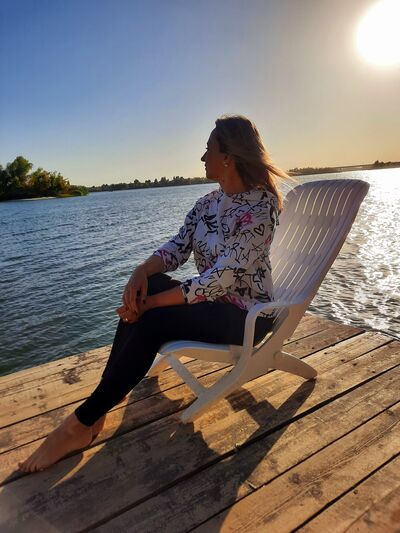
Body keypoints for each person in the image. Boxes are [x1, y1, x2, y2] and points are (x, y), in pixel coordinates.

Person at [18, 114, 297, 473]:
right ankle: (97, 410)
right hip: (209, 304)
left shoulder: (261, 206)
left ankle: (78, 424)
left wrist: (151, 303)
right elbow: (176, 248)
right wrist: (140, 273)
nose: (202, 157)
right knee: (144, 294)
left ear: (228, 157)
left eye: (208, 150)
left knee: (152, 318)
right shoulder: (207, 204)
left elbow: (223, 279)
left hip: (245, 316)